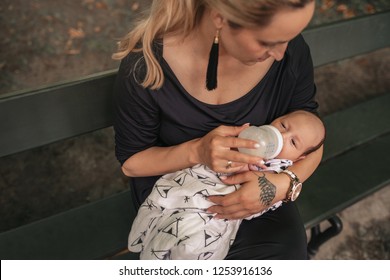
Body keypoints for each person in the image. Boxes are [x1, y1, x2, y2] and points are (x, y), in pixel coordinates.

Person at [113, 0, 322, 260]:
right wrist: (197, 151)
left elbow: (313, 138)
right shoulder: (147, 65)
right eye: (268, 41)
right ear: (220, 17)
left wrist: (281, 185)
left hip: (257, 190)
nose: (281, 53)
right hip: (178, 198)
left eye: (288, 38)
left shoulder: (291, 53)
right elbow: (132, 164)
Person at [128, 110, 325, 260]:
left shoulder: (280, 167)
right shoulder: (252, 135)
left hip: (227, 207)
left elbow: (266, 200)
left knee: (197, 243)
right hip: (202, 179)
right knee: (174, 206)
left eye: (292, 142)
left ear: (300, 157)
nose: (281, 137)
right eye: (283, 125)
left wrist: (278, 182)